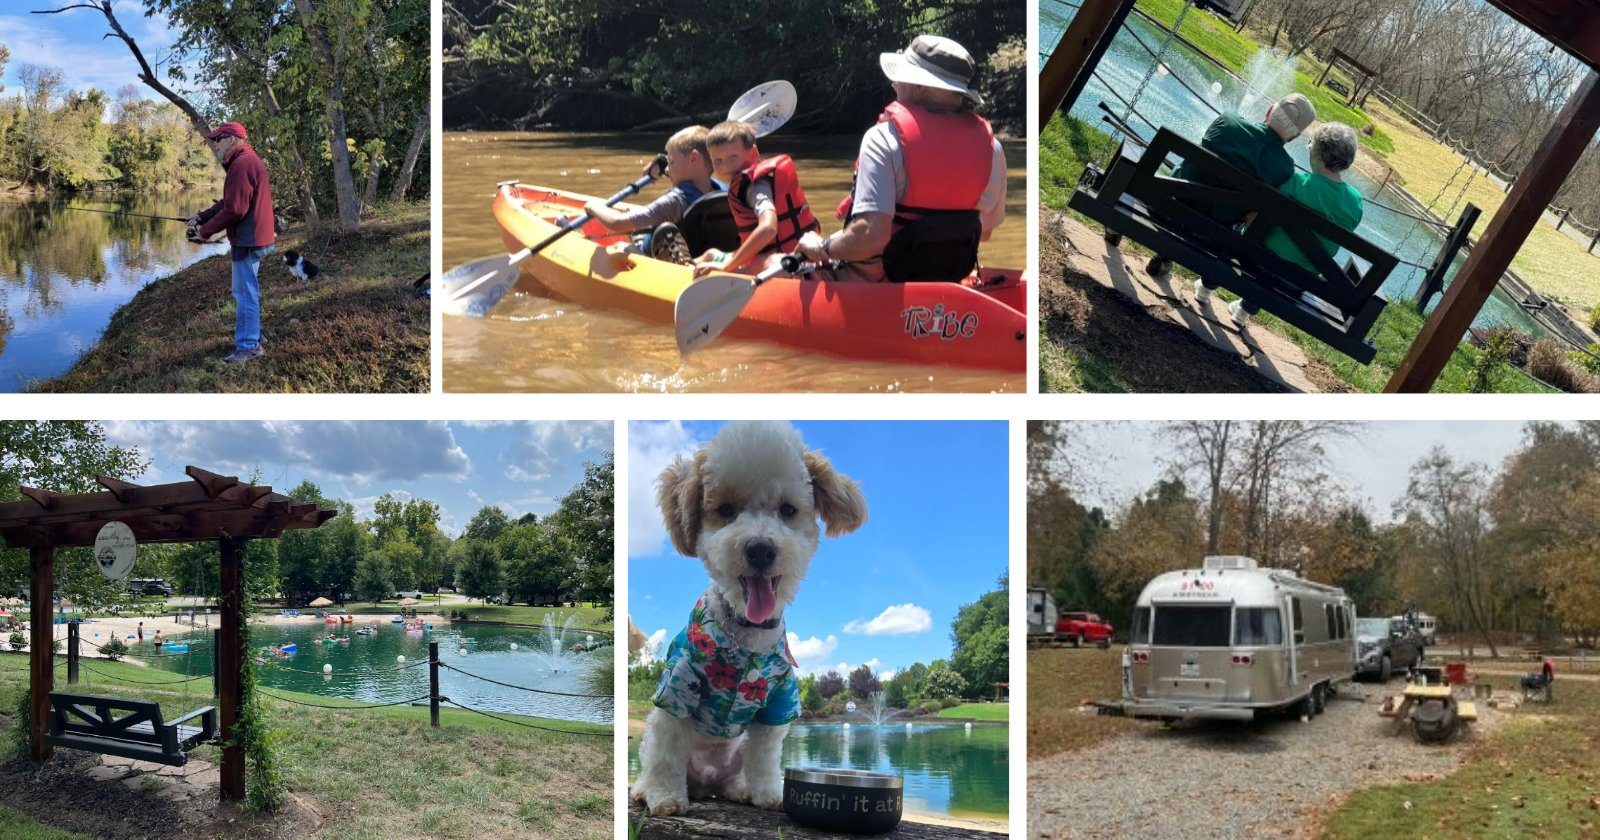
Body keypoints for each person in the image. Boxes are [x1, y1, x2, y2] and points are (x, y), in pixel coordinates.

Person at [795, 34, 1006, 283]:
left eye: (899, 78)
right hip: (947, 281)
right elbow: (985, 232)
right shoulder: (992, 147)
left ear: (918, 86)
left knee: (777, 265)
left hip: (881, 282)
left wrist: (821, 247)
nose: (894, 85)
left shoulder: (882, 139)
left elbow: (870, 239)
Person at [1176, 94, 1317, 322]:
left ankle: (1164, 258)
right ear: (1294, 136)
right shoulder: (1284, 170)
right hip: (1217, 236)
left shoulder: (1227, 120)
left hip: (1170, 205)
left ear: (1270, 110)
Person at [186, 121, 276, 363]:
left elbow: (235, 209)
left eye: (219, 139)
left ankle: (248, 347)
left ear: (233, 140)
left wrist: (204, 231)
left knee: (244, 293)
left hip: (248, 239)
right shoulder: (245, 160)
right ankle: (254, 334)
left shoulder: (242, 163)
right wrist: (202, 216)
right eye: (215, 140)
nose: (215, 144)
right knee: (249, 291)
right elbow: (229, 202)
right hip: (254, 236)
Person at [1257, 122, 1364, 317]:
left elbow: (1266, 210)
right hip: (1302, 279)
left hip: (1262, 261)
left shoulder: (1298, 183)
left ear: (1316, 151)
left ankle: (1233, 301)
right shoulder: (1354, 202)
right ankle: (1244, 310)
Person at [691, 120, 819, 278]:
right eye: (717, 160)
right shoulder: (744, 185)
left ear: (753, 154)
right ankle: (684, 264)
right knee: (711, 254)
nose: (724, 166)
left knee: (728, 266)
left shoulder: (755, 187)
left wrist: (727, 267)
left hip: (784, 263)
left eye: (732, 157)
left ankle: (683, 269)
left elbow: (769, 228)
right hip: (777, 257)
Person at [585, 125, 721, 259]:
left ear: (693, 158)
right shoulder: (720, 192)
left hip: (649, 260)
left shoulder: (673, 202)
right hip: (696, 256)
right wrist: (663, 163)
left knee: (620, 246)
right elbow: (693, 180)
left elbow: (618, 223)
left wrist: (593, 206)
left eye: (671, 162)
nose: (667, 170)